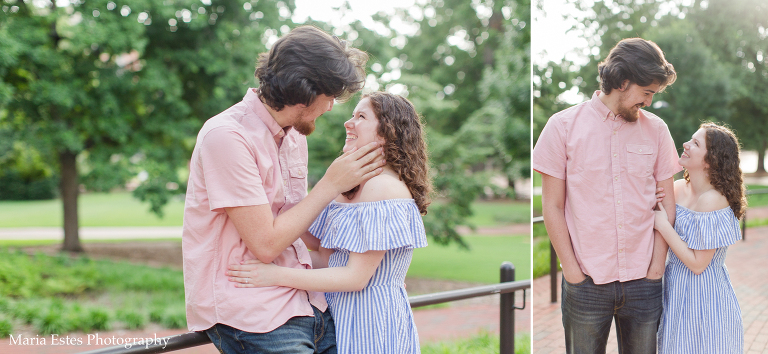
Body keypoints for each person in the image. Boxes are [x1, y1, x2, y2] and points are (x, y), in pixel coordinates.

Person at [182, 25, 385, 354]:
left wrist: (369, 267)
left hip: (309, 303)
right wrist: (332, 183)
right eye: (329, 95)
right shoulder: (227, 136)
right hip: (255, 312)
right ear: (303, 90)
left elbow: (294, 219)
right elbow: (266, 244)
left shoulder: (294, 136)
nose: (332, 107)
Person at [226, 92, 431, 354]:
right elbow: (326, 254)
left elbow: (355, 277)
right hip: (344, 316)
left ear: (387, 132)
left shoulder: (383, 188)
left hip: (372, 320)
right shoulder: (353, 185)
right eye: (352, 114)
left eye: (361, 116)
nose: (348, 122)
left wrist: (274, 276)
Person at [532, 37, 680, 353]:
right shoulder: (562, 127)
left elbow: (667, 202)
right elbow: (553, 206)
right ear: (623, 80)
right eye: (647, 93)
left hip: (644, 281)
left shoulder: (656, 130)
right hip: (585, 282)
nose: (649, 102)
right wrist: (571, 270)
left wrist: (656, 269)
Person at [653, 123, 744, 353]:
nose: (686, 144)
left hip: (706, 298)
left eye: (695, 143)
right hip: (676, 290)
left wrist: (663, 225)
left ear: (710, 159)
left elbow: (697, 264)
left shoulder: (713, 199)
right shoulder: (676, 188)